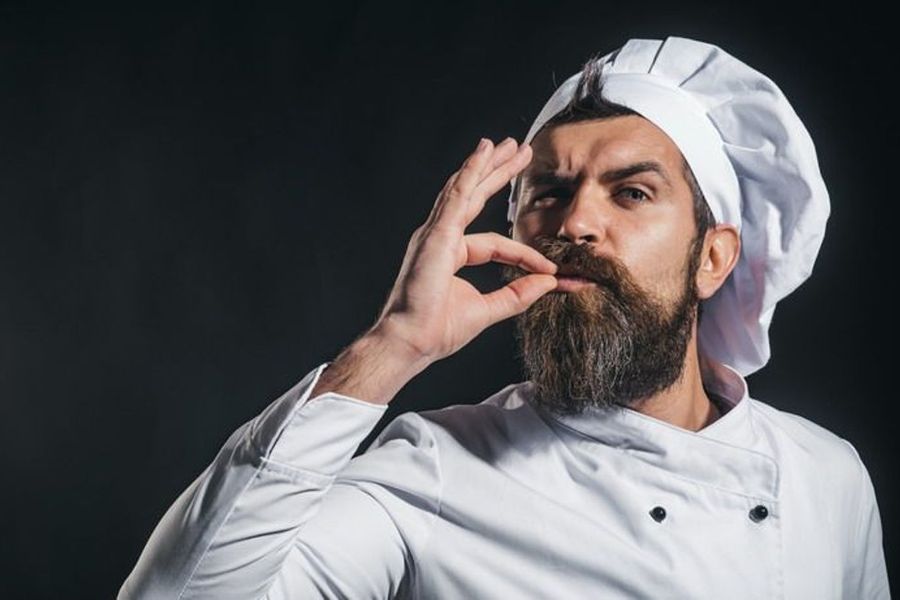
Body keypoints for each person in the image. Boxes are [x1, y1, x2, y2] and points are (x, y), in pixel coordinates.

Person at [118, 36, 890, 599]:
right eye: (548, 194)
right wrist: (394, 345)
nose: (575, 223)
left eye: (632, 193)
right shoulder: (437, 469)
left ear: (713, 258)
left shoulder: (826, 477)